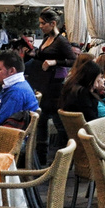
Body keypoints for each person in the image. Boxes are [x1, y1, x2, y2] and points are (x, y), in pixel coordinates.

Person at [25, 9, 74, 163]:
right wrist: (32, 53)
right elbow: (42, 56)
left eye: (43, 23)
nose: (40, 26)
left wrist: (55, 62)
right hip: (43, 84)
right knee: (41, 121)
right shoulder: (47, 38)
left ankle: (65, 157)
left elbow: (73, 61)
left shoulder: (61, 41)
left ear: (53, 23)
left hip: (55, 87)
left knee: (58, 122)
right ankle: (42, 158)